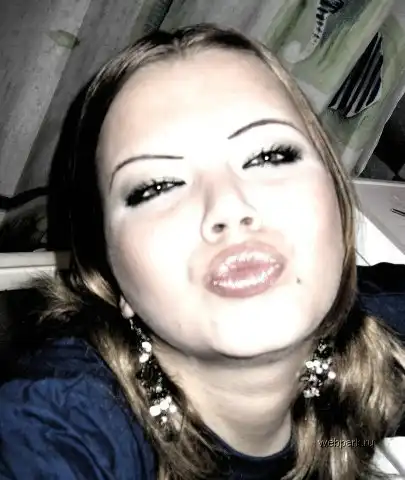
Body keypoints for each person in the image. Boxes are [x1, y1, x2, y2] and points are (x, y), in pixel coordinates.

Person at [0, 23, 404, 480]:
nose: (228, 206)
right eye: (156, 187)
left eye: (270, 156)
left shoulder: (370, 339)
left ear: (338, 202)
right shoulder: (64, 416)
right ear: (110, 273)